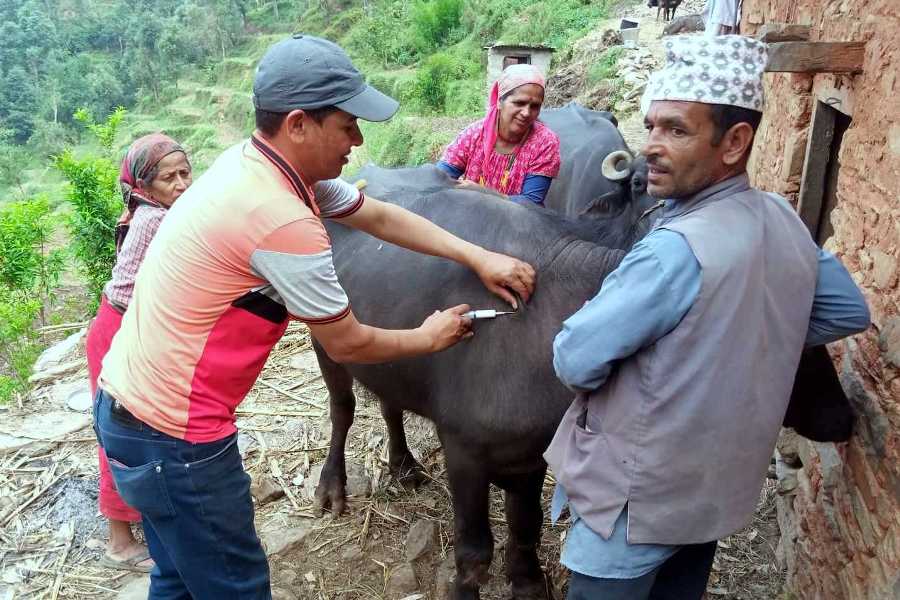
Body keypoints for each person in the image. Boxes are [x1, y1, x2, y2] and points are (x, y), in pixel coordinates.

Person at [93, 35, 536, 599]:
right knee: (237, 586)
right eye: (347, 124)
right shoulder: (281, 219)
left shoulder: (260, 164)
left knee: (179, 577)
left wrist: (476, 254)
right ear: (299, 124)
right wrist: (429, 336)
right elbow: (347, 344)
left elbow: (374, 213)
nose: (358, 140)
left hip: (128, 411)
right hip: (176, 441)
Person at [544, 35, 870, 600]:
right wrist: (740, 333)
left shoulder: (672, 251)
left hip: (638, 498)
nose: (650, 146)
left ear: (734, 142)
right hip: (713, 491)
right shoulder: (781, 218)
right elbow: (847, 309)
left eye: (676, 129)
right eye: (650, 126)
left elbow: (574, 357)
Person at [85, 133, 192, 573]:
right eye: (170, 178)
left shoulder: (154, 211)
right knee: (119, 436)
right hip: (119, 330)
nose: (182, 184)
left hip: (128, 326)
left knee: (136, 431)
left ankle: (146, 517)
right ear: (144, 187)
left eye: (186, 172)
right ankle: (119, 541)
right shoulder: (156, 220)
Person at [437, 64, 561, 206]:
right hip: (470, 216)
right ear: (499, 101)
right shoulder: (474, 134)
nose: (526, 113)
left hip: (517, 223)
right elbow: (439, 178)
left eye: (535, 106)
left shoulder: (545, 143)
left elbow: (531, 203)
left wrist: (482, 193)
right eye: (519, 103)